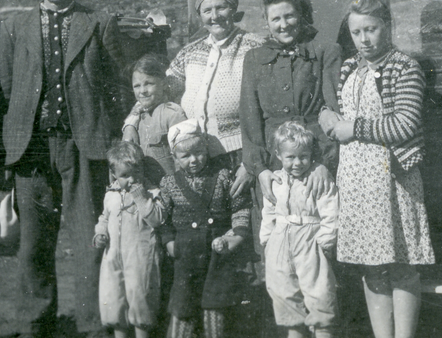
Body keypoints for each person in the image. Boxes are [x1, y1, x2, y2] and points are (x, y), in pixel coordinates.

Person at [0, 0, 128, 338]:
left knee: (89, 239)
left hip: (82, 144)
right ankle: (35, 324)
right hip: (32, 148)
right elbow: (6, 86)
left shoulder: (97, 22)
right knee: (34, 244)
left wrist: (112, 134)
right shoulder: (14, 27)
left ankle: (93, 324)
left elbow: (116, 84)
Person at [318, 0, 434, 338]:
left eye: (371, 29)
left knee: (400, 265)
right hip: (357, 178)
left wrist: (352, 128)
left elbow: (403, 125)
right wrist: (328, 116)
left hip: (391, 177)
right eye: (356, 32)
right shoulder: (351, 68)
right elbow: (339, 112)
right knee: (372, 267)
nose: (364, 39)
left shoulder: (404, 66)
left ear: (388, 27)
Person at [240, 0, 340, 205]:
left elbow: (334, 112)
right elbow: (250, 122)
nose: (283, 25)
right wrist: (260, 170)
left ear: (301, 16)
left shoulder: (326, 51)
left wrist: (325, 163)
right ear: (266, 22)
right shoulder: (254, 59)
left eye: (289, 16)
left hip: (315, 161)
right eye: (275, 19)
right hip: (273, 166)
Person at [166, 0, 264, 197]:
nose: (215, 16)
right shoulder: (189, 52)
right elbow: (159, 92)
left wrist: (251, 163)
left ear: (233, 8)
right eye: (207, 10)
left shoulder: (255, 46)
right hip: (197, 160)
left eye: (221, 7)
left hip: (239, 158)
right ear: (200, 15)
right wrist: (132, 122)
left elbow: (267, 111)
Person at [159, 122, 251, 338]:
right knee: (183, 304)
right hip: (186, 254)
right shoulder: (169, 183)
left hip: (216, 251)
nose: (193, 160)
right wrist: (169, 242)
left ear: (206, 150)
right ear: (175, 157)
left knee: (215, 304)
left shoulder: (222, 176)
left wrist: (236, 235)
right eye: (185, 156)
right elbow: (163, 218)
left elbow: (240, 207)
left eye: (199, 153)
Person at [260, 122, 340, 338]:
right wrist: (267, 240)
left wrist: (325, 241)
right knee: (283, 293)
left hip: (310, 239)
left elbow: (330, 210)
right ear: (279, 155)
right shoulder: (276, 180)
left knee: (319, 293)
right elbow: (269, 211)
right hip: (280, 239)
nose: (297, 163)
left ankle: (323, 331)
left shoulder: (317, 178)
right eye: (290, 157)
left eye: (303, 157)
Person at [94, 140, 167, 338]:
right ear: (114, 175)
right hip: (113, 255)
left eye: (136, 173)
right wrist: (100, 233)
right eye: (125, 176)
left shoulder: (151, 193)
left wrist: (141, 197)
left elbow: (157, 219)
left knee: (140, 297)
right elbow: (104, 217)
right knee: (115, 297)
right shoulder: (111, 194)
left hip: (140, 255)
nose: (131, 180)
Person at [122, 53, 188, 183]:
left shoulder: (173, 114)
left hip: (172, 187)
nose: (142, 91)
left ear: (164, 84)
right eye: (137, 86)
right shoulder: (137, 115)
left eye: (149, 83)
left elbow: (183, 158)